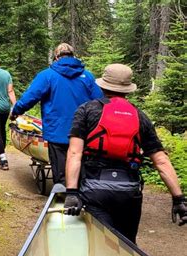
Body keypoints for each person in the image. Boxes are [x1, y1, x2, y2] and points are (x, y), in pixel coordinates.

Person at [64, 63, 187, 243]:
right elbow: (161, 161)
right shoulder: (140, 116)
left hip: (94, 190)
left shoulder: (86, 111)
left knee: (99, 245)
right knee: (127, 247)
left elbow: (74, 154)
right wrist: (179, 199)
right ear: (128, 90)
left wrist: (72, 193)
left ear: (102, 85)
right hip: (129, 193)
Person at [10, 43, 102, 184]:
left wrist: (16, 111)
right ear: (73, 56)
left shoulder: (47, 75)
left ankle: (63, 201)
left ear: (56, 57)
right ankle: (83, 201)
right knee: (81, 170)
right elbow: (100, 102)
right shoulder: (87, 76)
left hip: (57, 132)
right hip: (84, 133)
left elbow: (31, 97)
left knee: (61, 174)